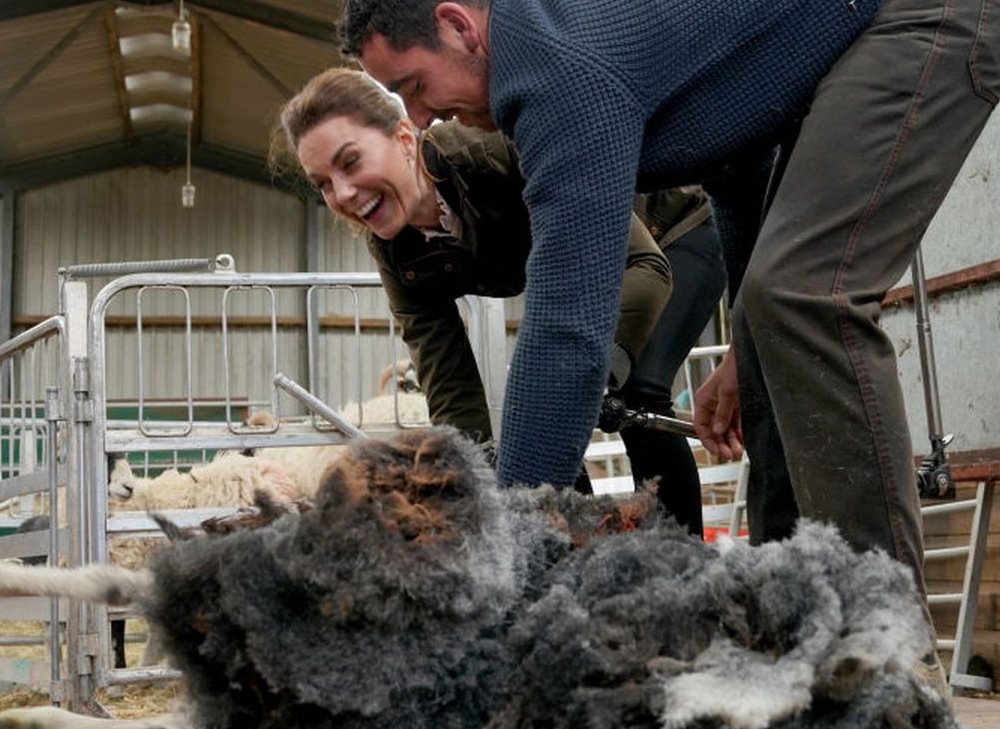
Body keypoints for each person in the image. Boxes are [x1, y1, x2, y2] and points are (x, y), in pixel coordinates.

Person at [336, 0, 1000, 610]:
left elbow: (568, 325)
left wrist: (504, 552)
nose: (419, 118)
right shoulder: (569, 32)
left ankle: (883, 632)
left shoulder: (554, 62)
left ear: (457, 26)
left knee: (805, 293)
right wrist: (744, 347)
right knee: (773, 322)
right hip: (879, 4)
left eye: (413, 87)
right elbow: (740, 163)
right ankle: (787, 617)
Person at [273, 67, 724, 533]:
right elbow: (446, 374)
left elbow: (642, 267)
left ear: (404, 139)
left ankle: (682, 555)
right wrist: (476, 475)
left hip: (669, 232)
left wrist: (585, 375)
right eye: (322, 183)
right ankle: (575, 551)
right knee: (537, 422)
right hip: (590, 267)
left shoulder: (492, 153)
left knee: (636, 395)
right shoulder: (396, 249)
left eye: (351, 162)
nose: (343, 193)